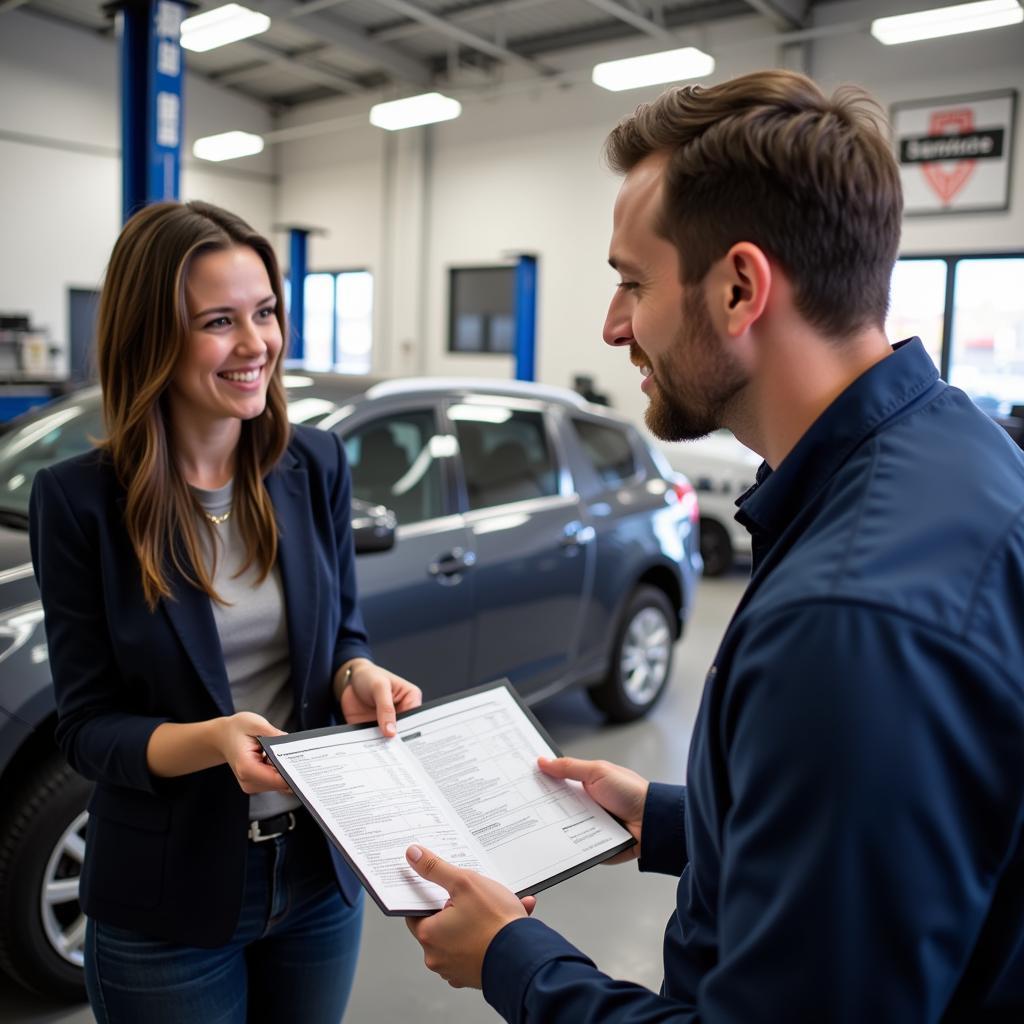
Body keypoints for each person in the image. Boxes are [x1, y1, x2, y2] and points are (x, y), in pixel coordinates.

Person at [404, 69, 1024, 1021]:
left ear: (739, 287)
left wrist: (511, 959)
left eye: (632, 283)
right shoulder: (955, 450)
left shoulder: (849, 617)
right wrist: (667, 819)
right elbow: (895, 839)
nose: (614, 325)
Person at [30, 200, 421, 1023]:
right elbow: (87, 727)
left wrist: (357, 672)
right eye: (219, 321)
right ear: (153, 334)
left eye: (266, 312)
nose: (257, 345)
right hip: (168, 903)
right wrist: (211, 744)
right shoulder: (78, 503)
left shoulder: (312, 462)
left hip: (319, 879)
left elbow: (342, 631)